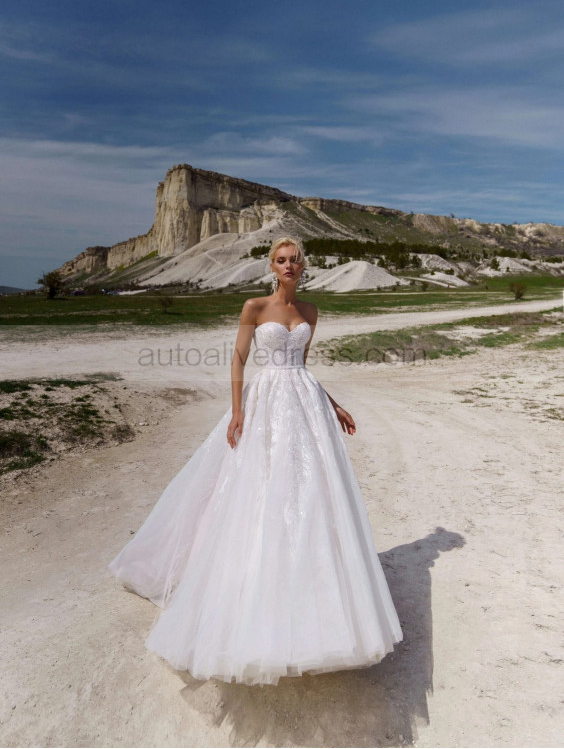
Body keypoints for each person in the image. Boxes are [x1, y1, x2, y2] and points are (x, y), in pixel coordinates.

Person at [108, 235, 403, 686]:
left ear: (303, 267)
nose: (288, 266)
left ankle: (310, 587)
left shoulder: (310, 312)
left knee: (309, 493)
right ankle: (249, 584)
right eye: (281, 260)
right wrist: (239, 410)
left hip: (303, 402)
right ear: (272, 266)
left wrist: (334, 403)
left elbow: (301, 367)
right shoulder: (254, 307)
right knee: (259, 490)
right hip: (265, 403)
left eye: (294, 260)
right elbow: (239, 360)